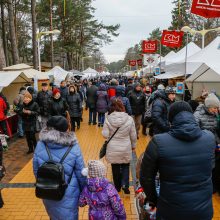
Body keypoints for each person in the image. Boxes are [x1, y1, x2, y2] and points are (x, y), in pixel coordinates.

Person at [140, 101, 215, 220]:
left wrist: (154, 199)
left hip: (171, 210)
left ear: (170, 119)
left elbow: (146, 178)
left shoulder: (159, 142)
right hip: (203, 210)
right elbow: (210, 167)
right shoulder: (209, 138)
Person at [33, 116, 86, 220]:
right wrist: (84, 190)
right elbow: (81, 172)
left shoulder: (41, 144)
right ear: (66, 128)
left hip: (48, 190)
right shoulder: (73, 146)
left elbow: (36, 169)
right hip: (70, 190)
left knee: (53, 215)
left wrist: (46, 182)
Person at [102, 99, 137, 194]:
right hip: (126, 146)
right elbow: (133, 135)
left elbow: (105, 134)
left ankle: (117, 187)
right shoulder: (129, 119)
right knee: (126, 165)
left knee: (115, 166)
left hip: (113, 146)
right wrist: (133, 146)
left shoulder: (108, 118)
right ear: (122, 107)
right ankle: (125, 185)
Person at [194, 93, 220, 193]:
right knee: (202, 166)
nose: (216, 110)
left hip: (211, 145)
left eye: (217, 108)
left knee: (211, 166)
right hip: (201, 146)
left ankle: (209, 187)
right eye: (215, 108)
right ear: (209, 106)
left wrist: (218, 142)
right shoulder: (197, 115)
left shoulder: (215, 115)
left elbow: (213, 131)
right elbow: (194, 131)